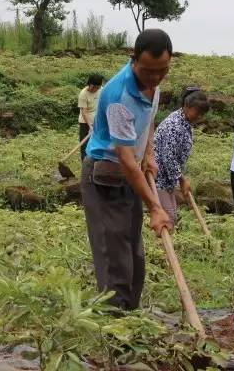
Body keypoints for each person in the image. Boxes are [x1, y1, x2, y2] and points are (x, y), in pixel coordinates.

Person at [81, 29, 173, 312]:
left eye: (162, 71)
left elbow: (147, 122)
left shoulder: (153, 85)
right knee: (115, 261)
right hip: (106, 177)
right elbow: (125, 159)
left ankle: (130, 323)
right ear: (133, 60)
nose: (155, 78)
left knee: (135, 256)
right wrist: (156, 207)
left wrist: (149, 152)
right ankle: (113, 335)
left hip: (129, 175)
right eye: (148, 71)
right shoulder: (120, 95)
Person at [153, 87, 210, 226]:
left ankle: (168, 245)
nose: (200, 116)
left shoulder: (185, 122)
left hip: (168, 178)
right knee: (168, 218)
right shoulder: (174, 125)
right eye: (197, 112)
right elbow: (168, 157)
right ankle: (162, 246)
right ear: (186, 106)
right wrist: (182, 180)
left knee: (172, 215)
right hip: (159, 177)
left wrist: (180, 179)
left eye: (202, 113)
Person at [77, 73, 104, 160]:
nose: (95, 89)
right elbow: (84, 112)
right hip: (85, 123)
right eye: (93, 87)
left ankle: (96, 164)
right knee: (85, 146)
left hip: (98, 121)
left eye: (97, 87)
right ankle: (85, 167)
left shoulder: (102, 90)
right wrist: (90, 126)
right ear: (89, 84)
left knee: (98, 144)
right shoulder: (83, 94)